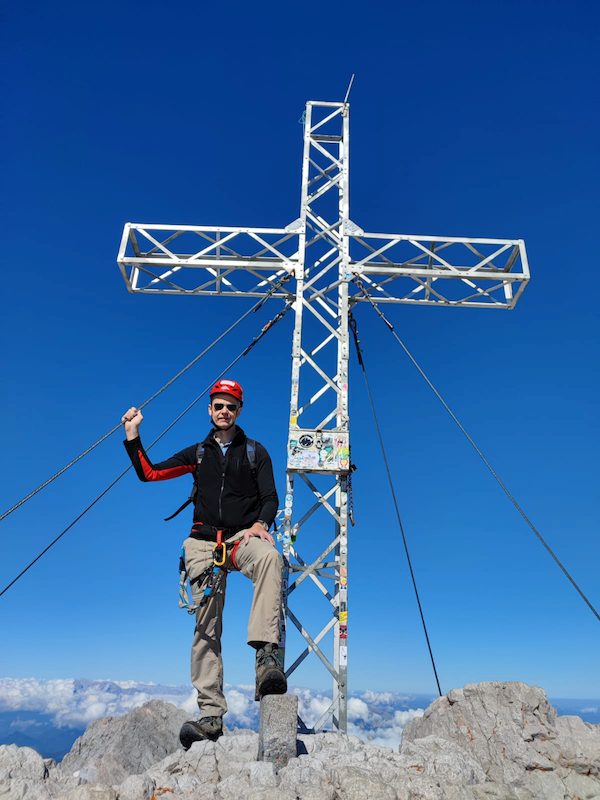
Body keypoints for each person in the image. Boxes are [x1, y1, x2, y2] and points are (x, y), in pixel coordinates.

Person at [121, 378, 286, 749]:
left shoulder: (255, 453)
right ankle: (211, 715)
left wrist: (260, 525)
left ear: (239, 411)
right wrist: (133, 436)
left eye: (230, 406)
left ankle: (266, 659)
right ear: (209, 410)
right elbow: (150, 472)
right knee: (206, 626)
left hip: (242, 539)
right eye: (218, 406)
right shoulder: (197, 454)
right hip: (202, 545)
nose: (224, 411)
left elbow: (270, 498)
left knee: (271, 559)